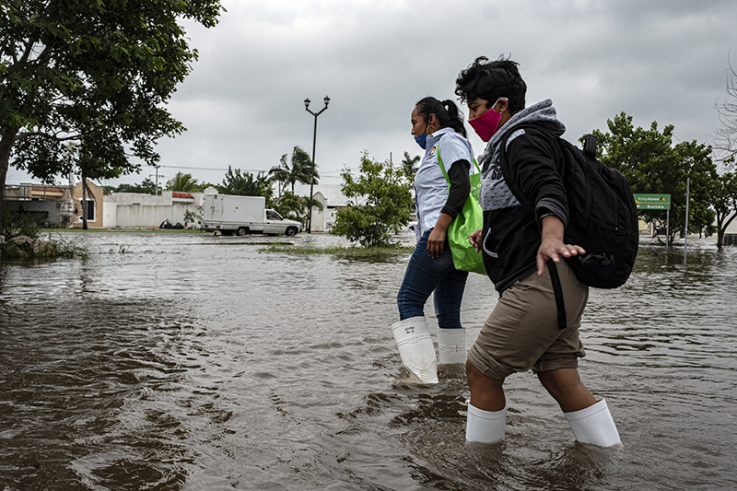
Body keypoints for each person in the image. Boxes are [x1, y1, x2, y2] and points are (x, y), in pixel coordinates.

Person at [455, 56, 621, 447]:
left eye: (476, 108)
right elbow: (525, 196)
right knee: (560, 376)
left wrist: (551, 234)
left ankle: (479, 471)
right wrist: (492, 231)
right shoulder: (526, 140)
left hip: (543, 280)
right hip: (562, 284)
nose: (473, 119)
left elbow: (548, 188)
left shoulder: (519, 138)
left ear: (500, 104)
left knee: (480, 371)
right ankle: (609, 460)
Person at [392, 97, 475, 384]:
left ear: (431, 121)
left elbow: (461, 185)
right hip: (452, 238)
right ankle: (454, 376)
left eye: (414, 122)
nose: (412, 130)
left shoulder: (448, 142)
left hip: (442, 236)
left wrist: (439, 228)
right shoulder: (437, 147)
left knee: (408, 299)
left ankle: (421, 378)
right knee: (448, 312)